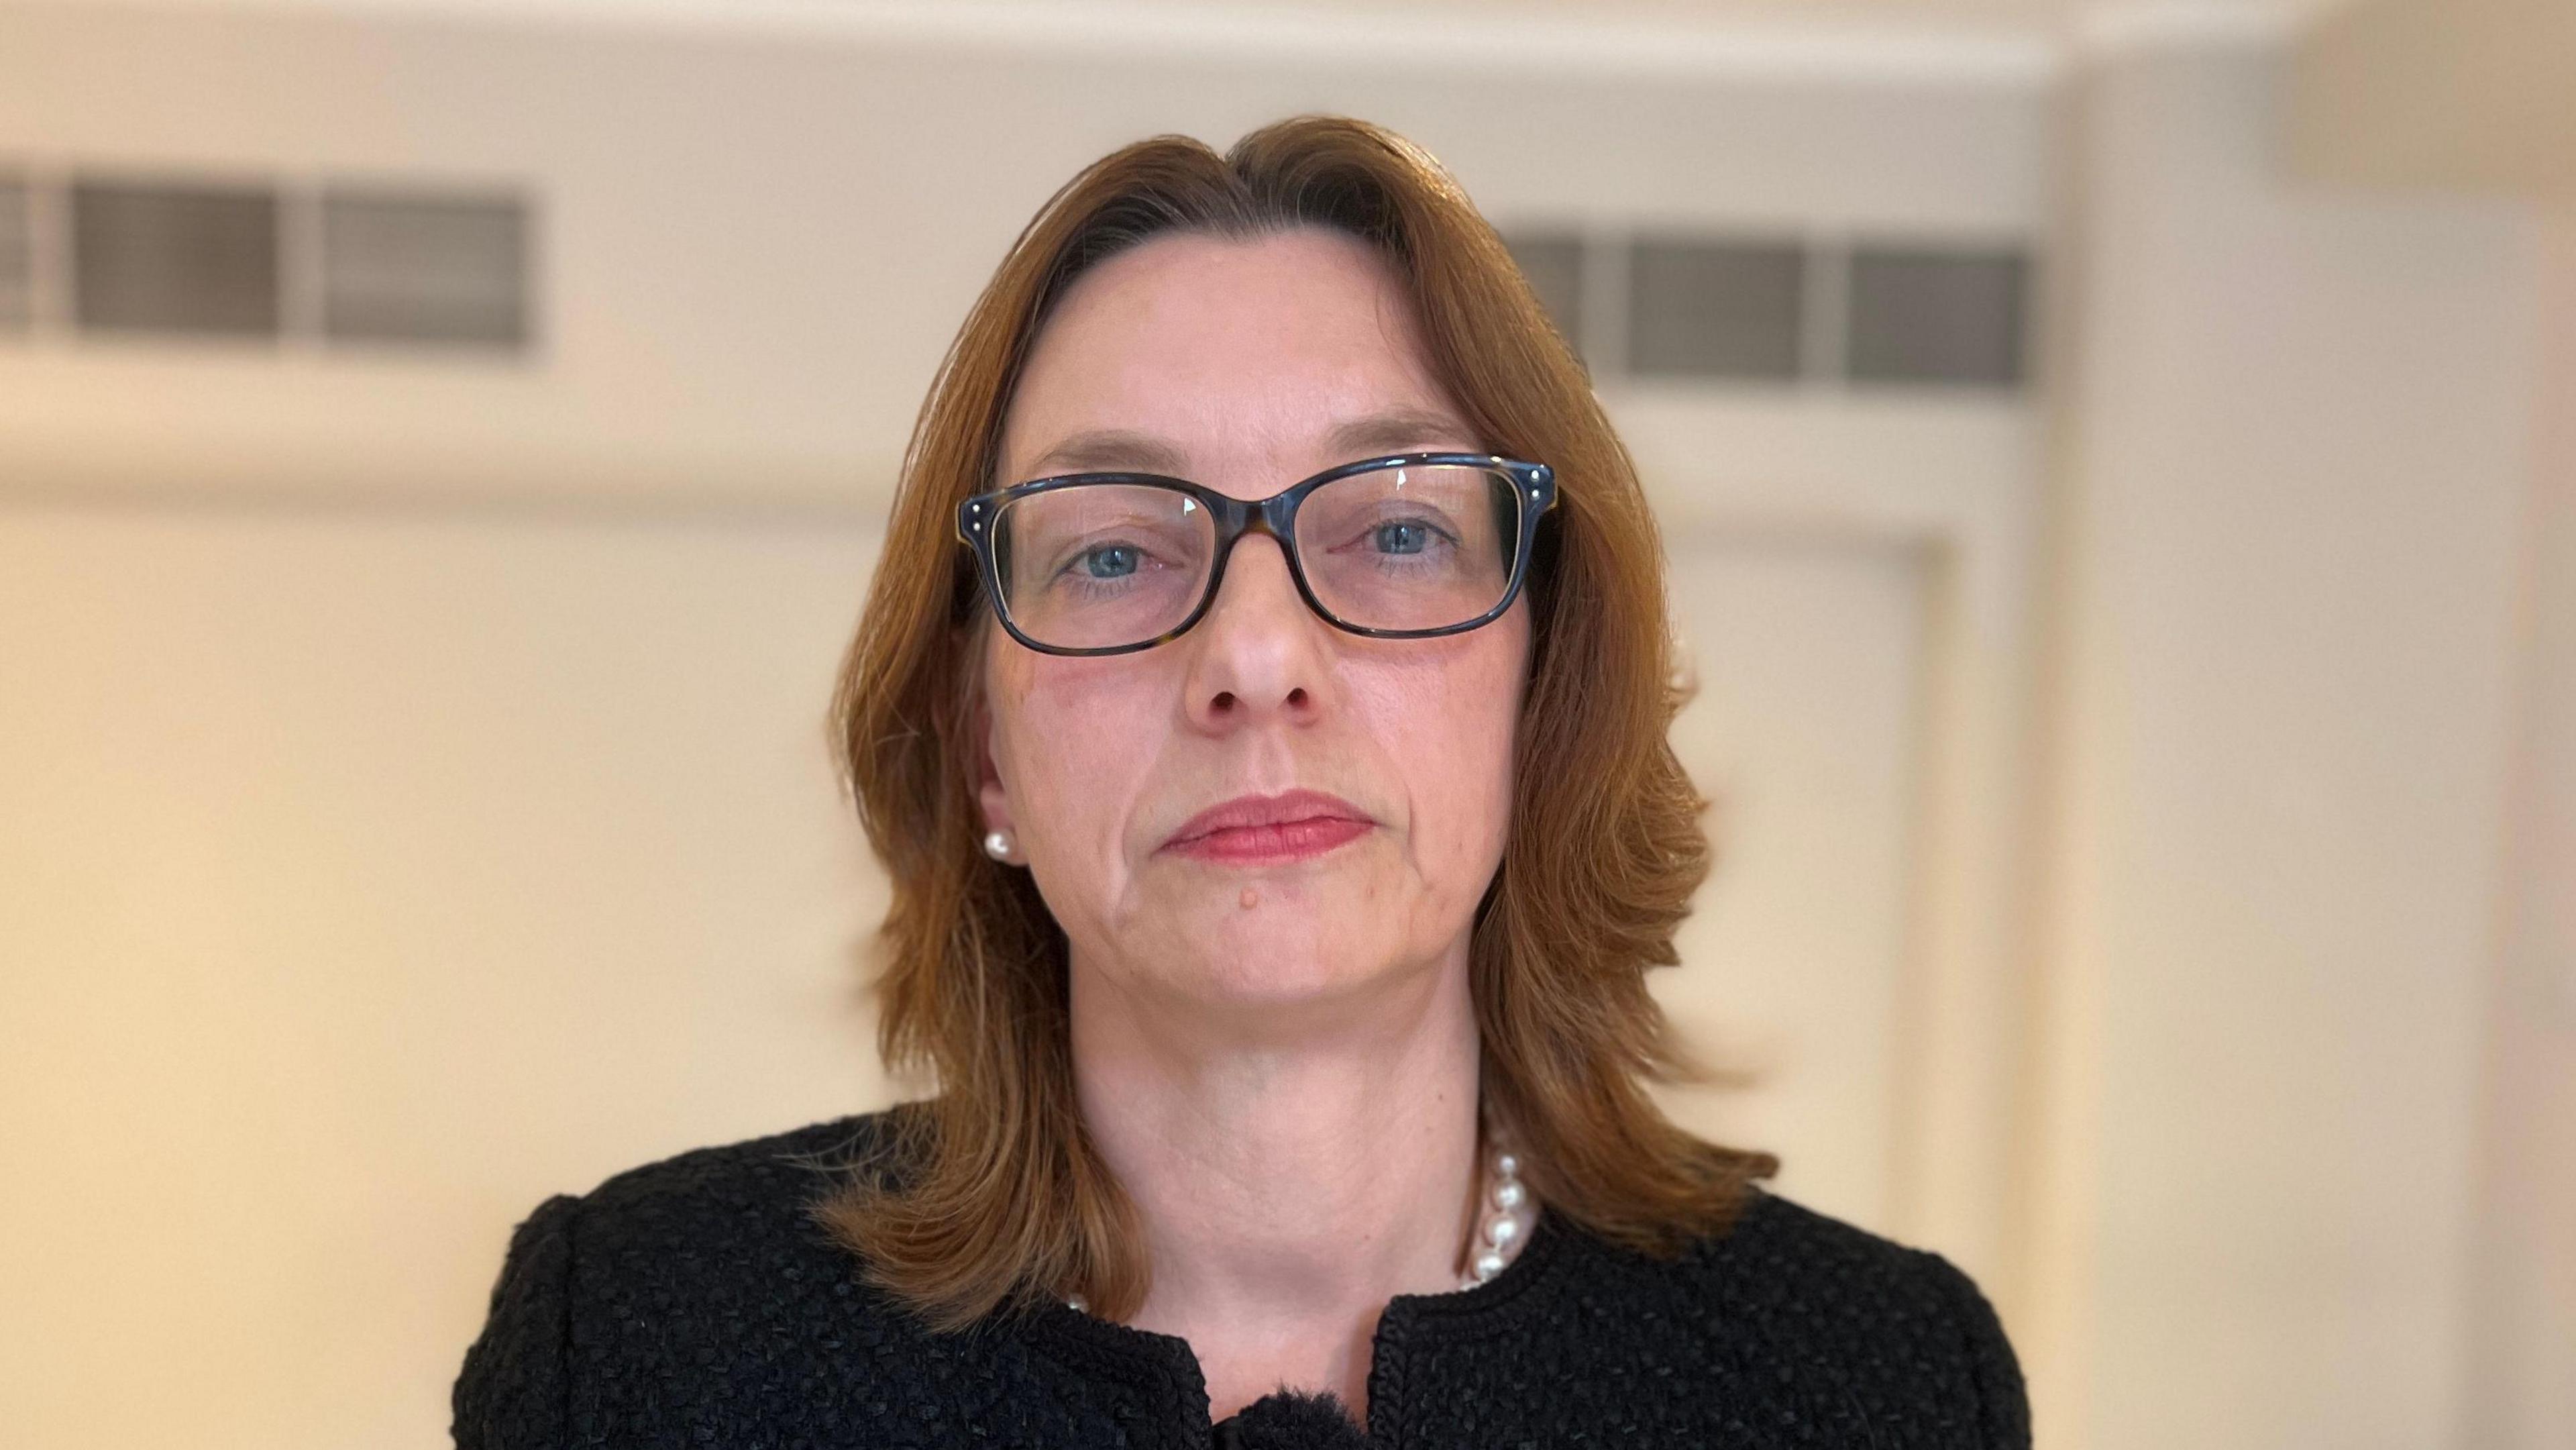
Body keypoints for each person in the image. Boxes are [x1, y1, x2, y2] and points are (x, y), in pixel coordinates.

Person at [451, 115, 2029, 1449]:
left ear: (1538, 692)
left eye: (1399, 529)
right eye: (1118, 551)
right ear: (985, 741)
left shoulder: (1878, 1384)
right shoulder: (642, 1354)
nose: (1256, 655)